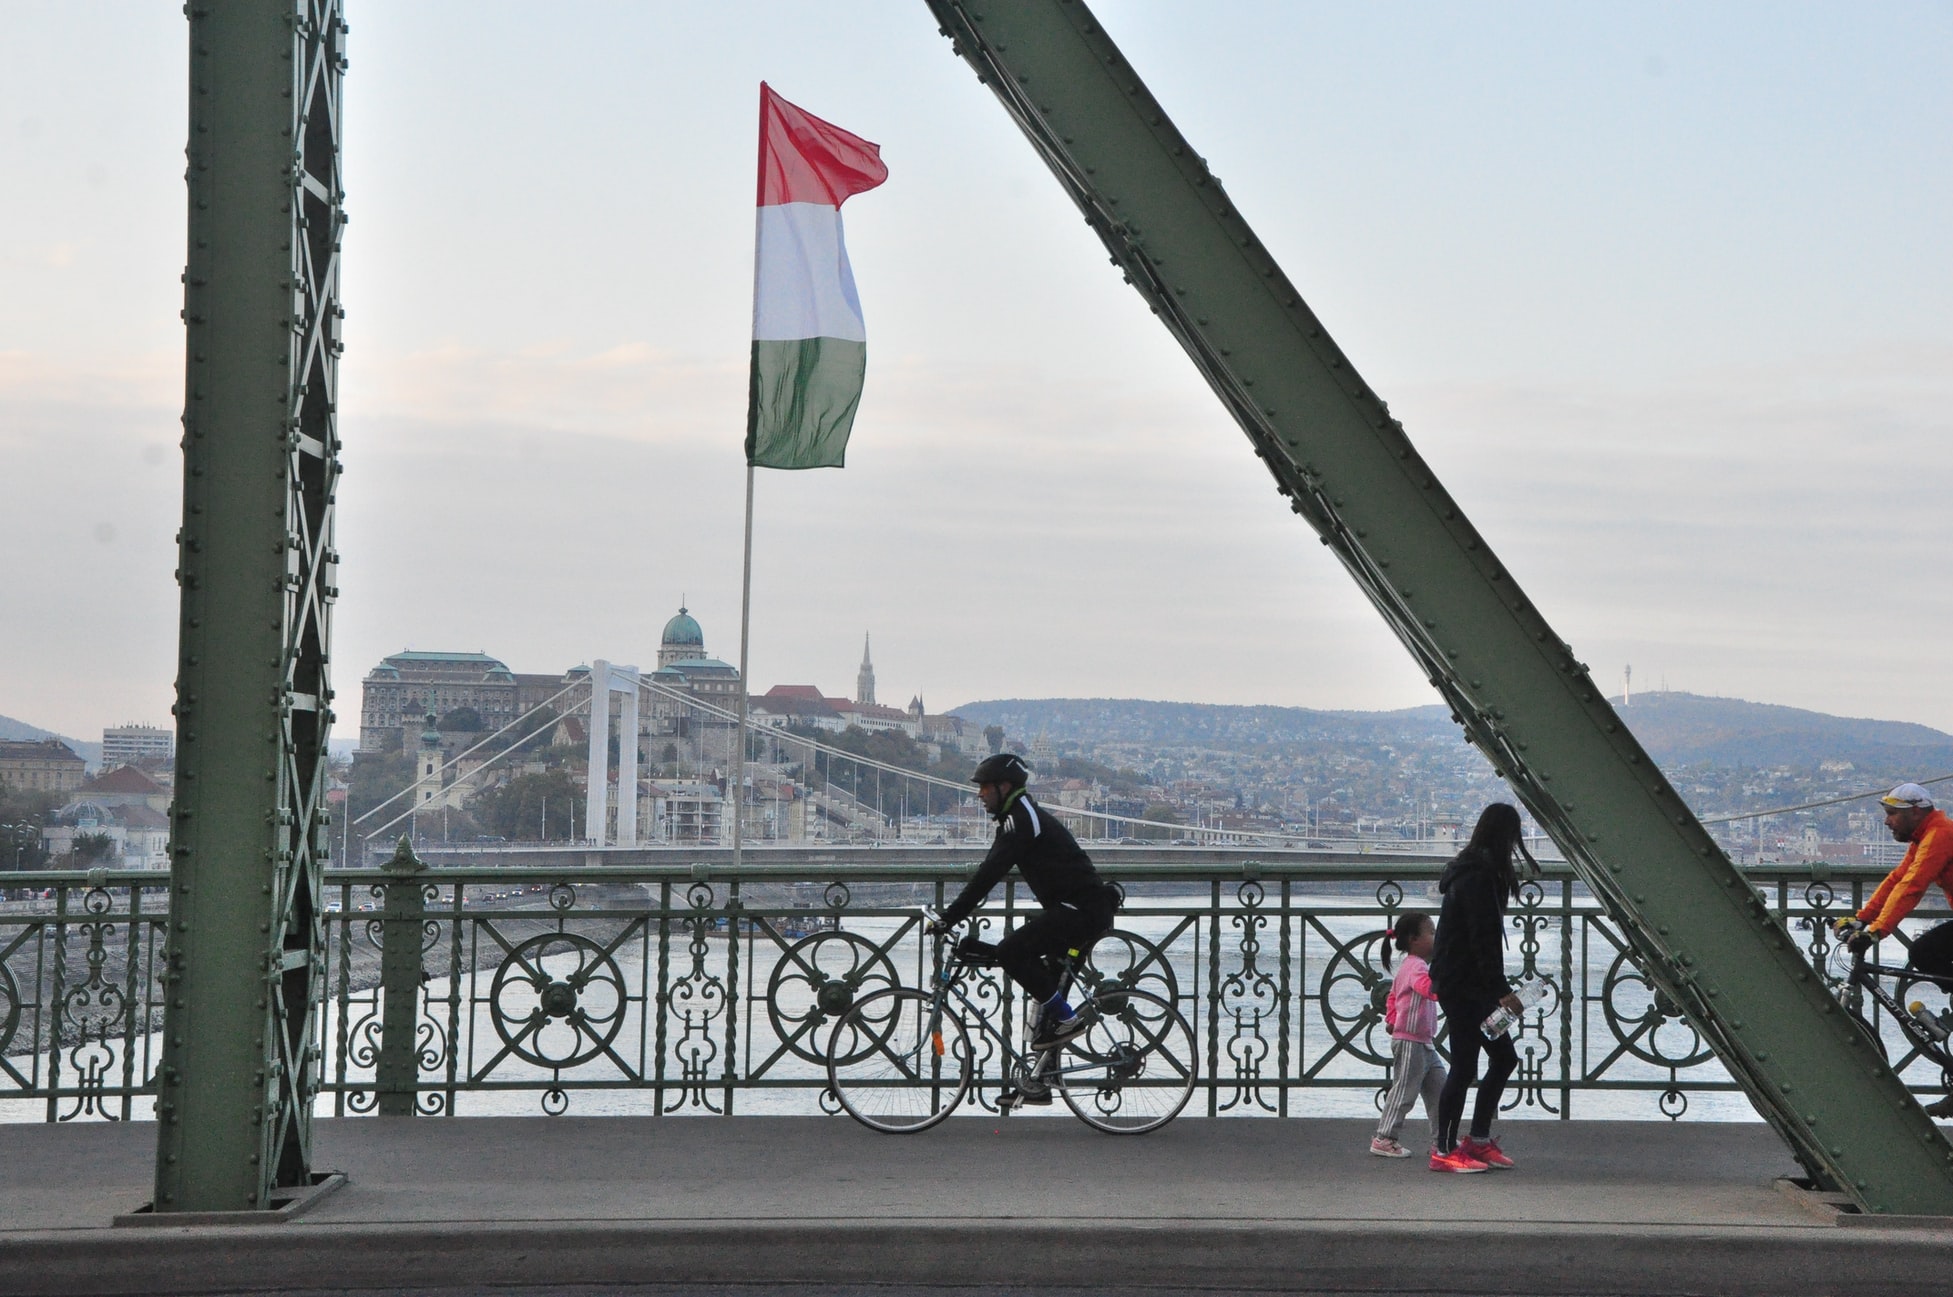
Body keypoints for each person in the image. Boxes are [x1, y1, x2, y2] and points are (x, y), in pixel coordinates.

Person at [927, 753, 1120, 1100]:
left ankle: (1068, 1020)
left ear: (1004, 787)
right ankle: (1040, 1082)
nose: (980, 795)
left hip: (1080, 911)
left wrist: (949, 917)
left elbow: (988, 874)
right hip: (1077, 910)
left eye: (985, 787)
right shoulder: (1019, 816)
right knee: (1039, 974)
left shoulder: (1021, 820)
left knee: (1011, 952)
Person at [1834, 781, 1953, 1118]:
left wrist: (1877, 933)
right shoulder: (1925, 836)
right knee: (1925, 953)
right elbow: (1898, 879)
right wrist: (1861, 921)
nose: (1887, 821)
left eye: (1891, 814)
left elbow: (1914, 887)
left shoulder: (1940, 834)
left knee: (1925, 953)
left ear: (1915, 811)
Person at [1428, 803, 1527, 1173]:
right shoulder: (1480, 877)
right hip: (1466, 985)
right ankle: (1445, 1147)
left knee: (1497, 1059)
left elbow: (1478, 939)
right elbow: (1483, 939)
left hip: (1465, 982)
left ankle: (1476, 1141)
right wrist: (1502, 990)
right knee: (1469, 1063)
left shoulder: (1472, 870)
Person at [1371, 909, 1447, 1159]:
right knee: (1404, 1091)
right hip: (1411, 1042)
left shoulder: (1411, 966)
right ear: (1415, 939)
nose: (1437, 937)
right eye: (1432, 933)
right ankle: (1384, 1137)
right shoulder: (1416, 967)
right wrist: (1444, 977)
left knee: (1440, 1092)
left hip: (1423, 1042)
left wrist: (1392, 1020)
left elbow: (1393, 996)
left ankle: (1442, 1140)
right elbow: (1429, 990)